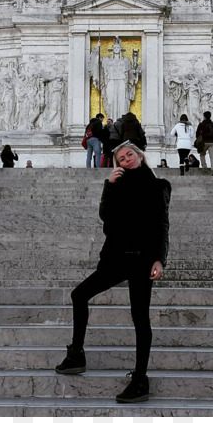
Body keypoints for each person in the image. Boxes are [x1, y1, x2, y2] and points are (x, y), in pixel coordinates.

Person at [55, 141, 171, 404]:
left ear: (140, 155)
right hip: (116, 258)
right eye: (121, 158)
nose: (126, 159)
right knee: (79, 295)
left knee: (140, 318)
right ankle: (76, 355)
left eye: (130, 154)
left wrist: (159, 260)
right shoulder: (117, 184)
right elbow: (105, 216)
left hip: (142, 260)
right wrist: (109, 185)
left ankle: (140, 379)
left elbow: (162, 225)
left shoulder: (159, 186)